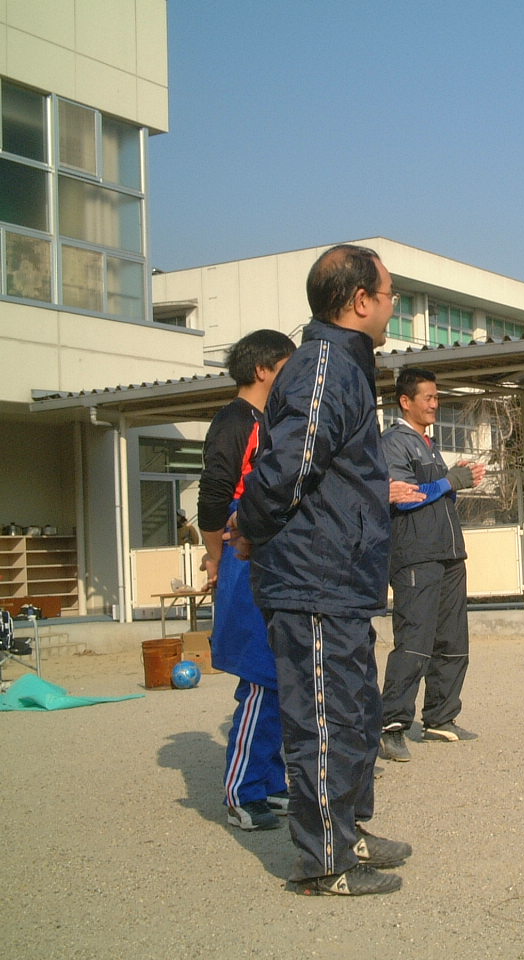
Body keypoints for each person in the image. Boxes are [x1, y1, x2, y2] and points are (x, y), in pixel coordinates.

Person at [237, 244, 410, 897]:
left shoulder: (347, 367)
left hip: (342, 579)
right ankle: (325, 863)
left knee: (355, 712)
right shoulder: (324, 365)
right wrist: (251, 529)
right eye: (389, 294)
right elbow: (289, 464)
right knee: (324, 721)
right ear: (361, 301)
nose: (393, 305)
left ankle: (350, 832)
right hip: (314, 577)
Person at [197, 329, 295, 831]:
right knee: (260, 674)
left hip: (269, 551)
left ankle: (270, 781)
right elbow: (214, 494)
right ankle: (242, 791)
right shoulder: (235, 419)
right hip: (243, 553)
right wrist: (217, 558)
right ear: (262, 369)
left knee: (279, 674)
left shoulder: (270, 421)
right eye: (286, 368)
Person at [378, 368, 485, 761]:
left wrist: (460, 479)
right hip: (416, 555)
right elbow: (404, 496)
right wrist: (449, 482)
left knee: (453, 641)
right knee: (415, 642)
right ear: (405, 402)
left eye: (437, 397)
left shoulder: (429, 445)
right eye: (428, 397)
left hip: (449, 552)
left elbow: (439, 496)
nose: (435, 404)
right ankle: (392, 725)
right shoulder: (394, 443)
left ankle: (441, 717)